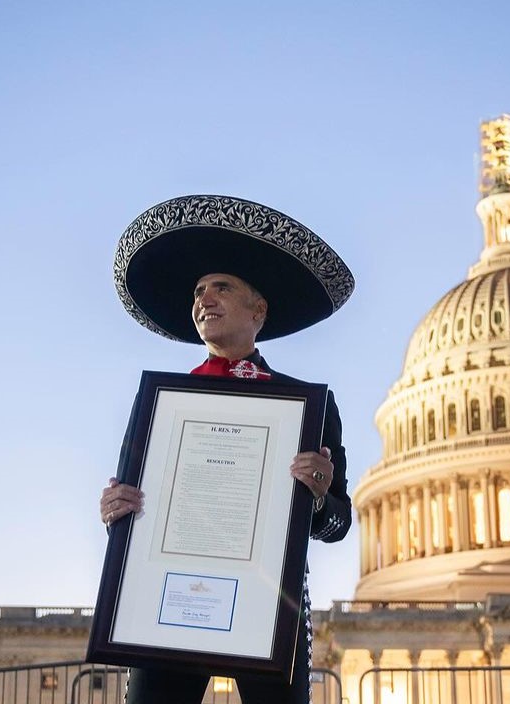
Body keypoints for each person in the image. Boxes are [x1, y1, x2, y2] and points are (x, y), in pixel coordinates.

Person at [98, 194, 355, 704]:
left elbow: (336, 525)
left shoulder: (310, 409)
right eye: (197, 290)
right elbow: (133, 505)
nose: (204, 298)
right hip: (169, 598)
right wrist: (115, 511)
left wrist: (320, 495)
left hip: (270, 602)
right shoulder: (159, 404)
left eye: (222, 287)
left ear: (258, 309)